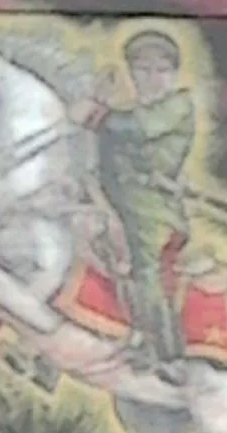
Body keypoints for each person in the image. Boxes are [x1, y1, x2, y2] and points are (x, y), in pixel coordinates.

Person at [70, 30, 196, 382]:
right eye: (142, 70)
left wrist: (95, 114)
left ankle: (166, 353)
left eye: (161, 70)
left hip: (151, 209)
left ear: (174, 75)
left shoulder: (177, 106)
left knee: (146, 268)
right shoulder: (126, 114)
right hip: (113, 202)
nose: (152, 78)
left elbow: (139, 128)